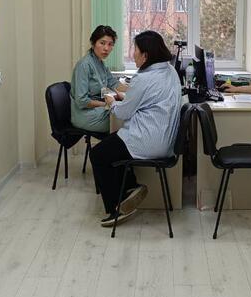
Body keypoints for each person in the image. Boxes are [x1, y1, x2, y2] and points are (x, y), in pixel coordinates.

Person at [89, 31, 182, 227]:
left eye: (136, 50)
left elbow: (123, 113)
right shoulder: (170, 71)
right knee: (113, 144)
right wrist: (128, 100)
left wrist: (112, 102)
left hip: (147, 141)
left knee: (98, 154)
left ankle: (116, 208)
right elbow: (149, 99)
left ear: (145, 55)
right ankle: (130, 188)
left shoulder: (143, 79)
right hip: (166, 142)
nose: (133, 55)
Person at [70, 25, 129, 133]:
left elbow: (113, 83)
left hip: (98, 108)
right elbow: (81, 101)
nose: (106, 48)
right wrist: (107, 104)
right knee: (126, 121)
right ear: (93, 43)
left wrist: (135, 90)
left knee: (126, 114)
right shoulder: (84, 65)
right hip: (85, 114)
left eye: (110, 44)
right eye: (102, 43)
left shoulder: (100, 63)